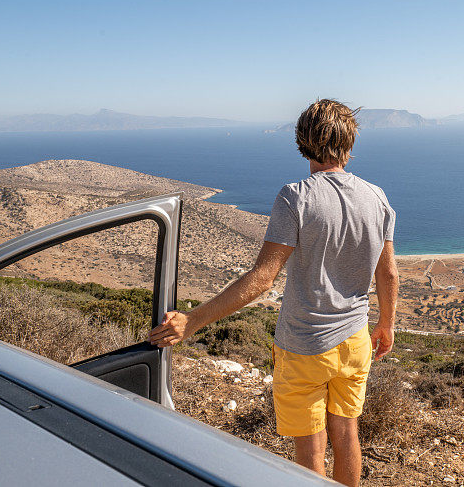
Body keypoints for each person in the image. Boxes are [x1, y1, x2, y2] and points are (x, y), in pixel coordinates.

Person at [149, 99, 398, 486]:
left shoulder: (296, 197)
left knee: (311, 448)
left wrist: (193, 320)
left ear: (302, 142)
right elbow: (389, 274)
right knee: (348, 433)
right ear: (349, 144)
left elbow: (263, 278)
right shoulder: (377, 197)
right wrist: (387, 323)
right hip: (355, 339)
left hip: (304, 345)